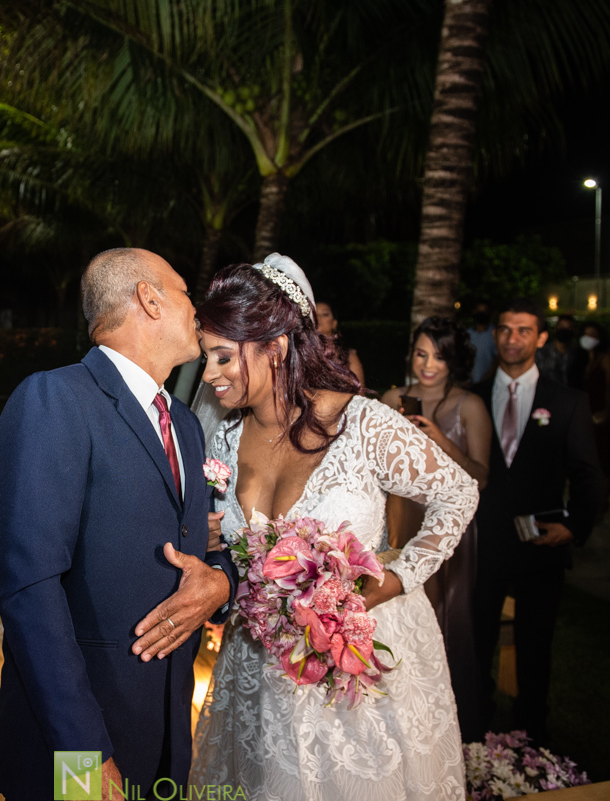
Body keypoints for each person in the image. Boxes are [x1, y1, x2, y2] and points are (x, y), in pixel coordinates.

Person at [191, 257, 479, 800]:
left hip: (360, 665)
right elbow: (228, 551)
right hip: (260, 671)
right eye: (205, 355)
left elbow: (458, 493)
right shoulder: (221, 442)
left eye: (223, 356)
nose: (208, 374)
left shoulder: (363, 424)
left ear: (275, 347)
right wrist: (209, 543)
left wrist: (395, 580)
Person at [0, 248, 237, 800]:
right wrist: (84, 757)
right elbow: (30, 591)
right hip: (81, 742)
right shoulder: (56, 399)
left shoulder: (183, 424)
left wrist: (220, 579)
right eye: (185, 293)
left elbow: (197, 545)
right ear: (149, 299)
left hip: (164, 737)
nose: (196, 310)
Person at [470, 298, 603, 744]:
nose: (513, 338)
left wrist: (575, 525)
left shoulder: (567, 402)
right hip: (485, 542)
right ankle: (474, 728)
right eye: (505, 329)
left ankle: (532, 735)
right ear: (495, 335)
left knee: (535, 644)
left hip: (541, 544)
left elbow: (588, 475)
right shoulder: (471, 397)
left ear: (541, 337)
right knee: (477, 639)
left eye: (524, 330)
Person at [380, 316, 491, 737]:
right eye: (421, 354)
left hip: (446, 530)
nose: (428, 365)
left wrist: (439, 440)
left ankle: (448, 725)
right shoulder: (392, 397)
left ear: (454, 360)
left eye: (439, 357)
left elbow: (481, 476)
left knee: (447, 618)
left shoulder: (469, 405)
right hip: (398, 519)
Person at [570, 322, 610, 520]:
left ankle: (601, 503)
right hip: (585, 417)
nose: (588, 338)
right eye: (585, 334)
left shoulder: (607, 359)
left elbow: (609, 389)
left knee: (605, 459)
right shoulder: (582, 360)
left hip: (601, 417)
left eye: (592, 334)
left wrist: (607, 412)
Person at [314, 301, 366, 386]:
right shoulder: (300, 353)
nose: (317, 317)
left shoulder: (348, 356)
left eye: (325, 314)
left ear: (334, 323)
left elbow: (360, 391)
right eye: (313, 314)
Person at [535, 314, 577, 385]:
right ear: (555, 328)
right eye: (561, 327)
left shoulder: (578, 355)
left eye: (568, 328)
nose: (564, 330)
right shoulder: (540, 353)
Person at [468, 301, 498, 384]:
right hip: (470, 382)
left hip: (487, 382)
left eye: (484, 311)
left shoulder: (494, 333)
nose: (481, 314)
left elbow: (498, 359)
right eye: (479, 311)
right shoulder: (468, 333)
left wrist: (488, 375)